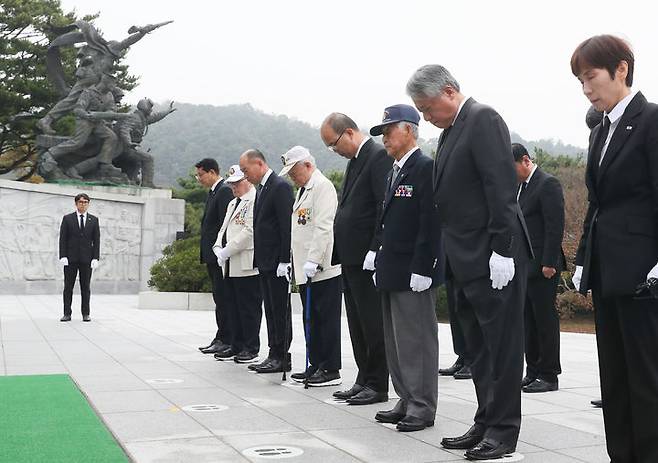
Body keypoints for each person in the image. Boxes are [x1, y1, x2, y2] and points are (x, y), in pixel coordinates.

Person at [407, 65, 532, 460]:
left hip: (490, 256)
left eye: (427, 108)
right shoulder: (449, 133)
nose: (426, 117)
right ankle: (485, 418)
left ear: (448, 91)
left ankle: (504, 430)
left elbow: (500, 187)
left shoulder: (483, 119)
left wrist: (503, 248)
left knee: (501, 346)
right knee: (477, 348)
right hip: (462, 257)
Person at [570, 34, 658, 462]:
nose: (586, 88)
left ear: (621, 69)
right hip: (608, 269)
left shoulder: (653, 120)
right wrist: (585, 258)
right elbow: (598, 202)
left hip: (643, 272)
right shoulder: (600, 130)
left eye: (591, 77)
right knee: (615, 375)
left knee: (647, 376)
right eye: (581, 81)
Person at [369, 104, 441, 433]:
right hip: (391, 267)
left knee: (417, 342)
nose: (384, 137)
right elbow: (387, 220)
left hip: (414, 270)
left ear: (409, 130)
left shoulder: (424, 168)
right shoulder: (393, 170)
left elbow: (431, 220)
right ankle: (406, 397)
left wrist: (424, 265)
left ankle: (422, 405)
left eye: (388, 130)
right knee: (396, 340)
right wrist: (375, 251)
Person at [320, 113, 391, 404]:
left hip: (366, 257)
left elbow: (381, 206)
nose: (334, 150)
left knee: (372, 322)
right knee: (357, 323)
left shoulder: (377, 156)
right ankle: (364, 377)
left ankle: (378, 383)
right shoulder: (354, 161)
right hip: (350, 256)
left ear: (349, 133)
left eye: (334, 144)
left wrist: (376, 247)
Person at [280, 146, 343, 386]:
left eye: (294, 172)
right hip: (305, 268)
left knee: (325, 319)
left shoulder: (322, 186)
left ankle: (330, 369)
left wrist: (313, 259)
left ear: (307, 165)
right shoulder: (303, 190)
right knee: (312, 319)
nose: (292, 178)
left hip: (322, 268)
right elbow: (299, 231)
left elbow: (323, 227)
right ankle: (315, 364)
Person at [513, 143, 565, 393]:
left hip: (544, 265)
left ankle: (549, 374)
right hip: (524, 266)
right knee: (527, 320)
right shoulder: (521, 187)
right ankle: (532, 369)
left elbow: (554, 226)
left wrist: (549, 262)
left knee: (544, 320)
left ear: (525, 161)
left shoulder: (547, 183)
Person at [239, 149, 294, 374]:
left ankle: (282, 355)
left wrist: (284, 260)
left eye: (245, 170)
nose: (244, 175)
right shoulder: (262, 188)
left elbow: (285, 226)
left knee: (280, 310)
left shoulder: (280, 186)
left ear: (259, 163)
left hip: (276, 263)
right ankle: (273, 352)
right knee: (270, 310)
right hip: (264, 261)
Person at [212, 165, 262, 363]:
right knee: (232, 306)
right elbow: (223, 228)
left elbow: (249, 232)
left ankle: (250, 347)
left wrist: (227, 250)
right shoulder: (233, 203)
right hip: (229, 264)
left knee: (248, 308)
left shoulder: (254, 200)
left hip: (245, 263)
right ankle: (236, 344)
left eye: (237, 183)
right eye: (231, 184)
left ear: (247, 180)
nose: (233, 188)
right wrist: (217, 246)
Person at [195, 158, 234, 355]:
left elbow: (224, 225)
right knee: (218, 297)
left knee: (224, 297)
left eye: (201, 174)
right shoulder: (213, 193)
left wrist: (222, 251)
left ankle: (226, 338)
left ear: (212, 172)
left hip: (220, 255)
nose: (199, 179)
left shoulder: (224, 190)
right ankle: (221, 335)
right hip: (211, 255)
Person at [58, 193, 100, 322]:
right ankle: (67, 313)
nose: (83, 204)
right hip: (70, 259)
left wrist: (95, 258)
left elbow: (96, 240)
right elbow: (63, 239)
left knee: (85, 287)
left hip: (86, 259)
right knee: (68, 287)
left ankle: (85, 313)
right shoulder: (67, 218)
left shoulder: (93, 220)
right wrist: (63, 256)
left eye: (86, 202)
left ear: (88, 204)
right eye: (81, 202)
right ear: (76, 203)